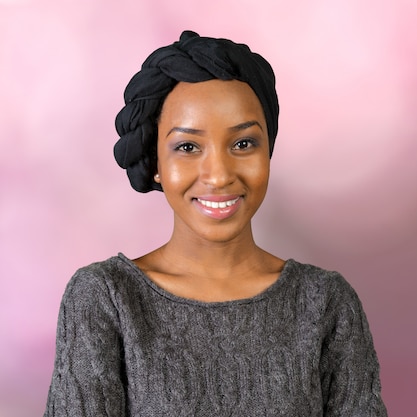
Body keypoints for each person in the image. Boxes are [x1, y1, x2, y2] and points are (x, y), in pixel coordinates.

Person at [44, 30, 387, 416]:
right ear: (156, 163)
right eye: (188, 147)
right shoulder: (107, 299)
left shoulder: (325, 302)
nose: (219, 174)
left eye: (243, 144)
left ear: (268, 152)